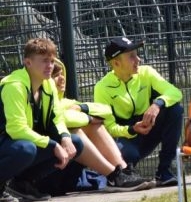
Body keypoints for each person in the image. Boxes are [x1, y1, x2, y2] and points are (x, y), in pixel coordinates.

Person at [0, 37, 84, 202]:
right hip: (7, 141)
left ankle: (21, 184)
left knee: (75, 142)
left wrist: (65, 138)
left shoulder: (48, 85)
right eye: (44, 61)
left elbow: (57, 118)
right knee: (26, 148)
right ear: (28, 62)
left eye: (52, 61)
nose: (50, 66)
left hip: (15, 143)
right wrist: (53, 145)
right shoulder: (14, 86)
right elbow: (16, 129)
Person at [48, 60, 152, 193]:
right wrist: (89, 118)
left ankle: (124, 172)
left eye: (62, 74)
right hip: (48, 174)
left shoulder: (66, 102)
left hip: (67, 171)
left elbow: (106, 110)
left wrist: (81, 107)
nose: (62, 79)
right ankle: (114, 176)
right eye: (55, 75)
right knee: (77, 129)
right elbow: (63, 118)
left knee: (94, 126)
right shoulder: (44, 103)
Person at [93, 37, 184, 187]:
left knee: (175, 110)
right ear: (116, 63)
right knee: (128, 154)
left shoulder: (147, 73)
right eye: (132, 56)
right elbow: (108, 128)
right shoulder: (101, 88)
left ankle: (165, 171)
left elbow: (175, 92)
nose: (138, 59)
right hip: (126, 136)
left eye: (137, 54)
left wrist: (157, 104)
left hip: (149, 127)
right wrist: (131, 129)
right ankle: (122, 175)